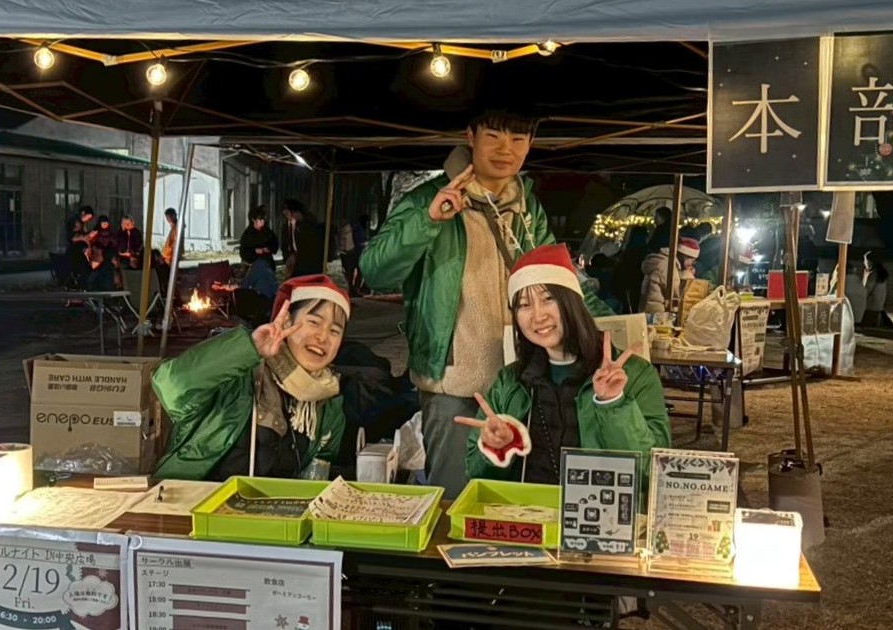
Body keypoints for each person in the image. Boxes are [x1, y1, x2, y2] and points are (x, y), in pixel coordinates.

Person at [359, 108, 613, 498]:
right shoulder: (428, 199)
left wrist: (616, 328)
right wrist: (428, 221)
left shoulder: (527, 208)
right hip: (453, 382)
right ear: (471, 136)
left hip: (521, 380)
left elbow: (560, 280)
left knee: (516, 495)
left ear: (530, 144)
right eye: (493, 136)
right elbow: (374, 271)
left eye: (518, 139)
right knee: (455, 495)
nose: (505, 149)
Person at [456, 244, 671, 485]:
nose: (538, 316)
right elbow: (477, 475)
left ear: (573, 302)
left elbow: (653, 473)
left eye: (548, 299)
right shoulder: (509, 382)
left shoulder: (635, 375)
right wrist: (498, 449)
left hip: (598, 506)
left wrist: (613, 404)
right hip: (527, 506)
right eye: (524, 305)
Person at [152, 275, 350, 480]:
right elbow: (171, 387)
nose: (322, 337)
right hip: (192, 496)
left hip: (270, 501)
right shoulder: (237, 372)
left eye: (335, 331)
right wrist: (249, 348)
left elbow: (317, 472)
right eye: (314, 322)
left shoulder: (328, 405)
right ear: (287, 321)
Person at [640, 237, 699, 313]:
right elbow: (679, 295)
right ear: (684, 256)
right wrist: (688, 275)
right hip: (658, 313)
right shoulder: (667, 266)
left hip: (652, 309)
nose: (692, 264)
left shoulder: (665, 262)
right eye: (693, 260)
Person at [239, 205, 279, 269]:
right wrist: (255, 251)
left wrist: (268, 249)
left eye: (263, 219)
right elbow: (243, 252)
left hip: (267, 262)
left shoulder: (268, 232)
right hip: (253, 263)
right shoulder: (247, 234)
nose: (262, 221)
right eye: (260, 219)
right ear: (253, 220)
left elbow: (275, 245)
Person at [861, 251, 892, 327]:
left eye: (865, 260)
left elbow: (865, 291)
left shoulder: (873, 274)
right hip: (879, 306)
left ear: (870, 262)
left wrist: (864, 278)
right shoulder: (881, 273)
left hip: (870, 306)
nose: (864, 262)